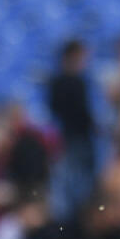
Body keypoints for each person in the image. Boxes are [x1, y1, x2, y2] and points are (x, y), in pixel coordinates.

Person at [47, 39, 98, 223]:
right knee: (78, 185)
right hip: (77, 139)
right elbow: (82, 113)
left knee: (68, 184)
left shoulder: (56, 81)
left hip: (67, 138)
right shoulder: (77, 82)